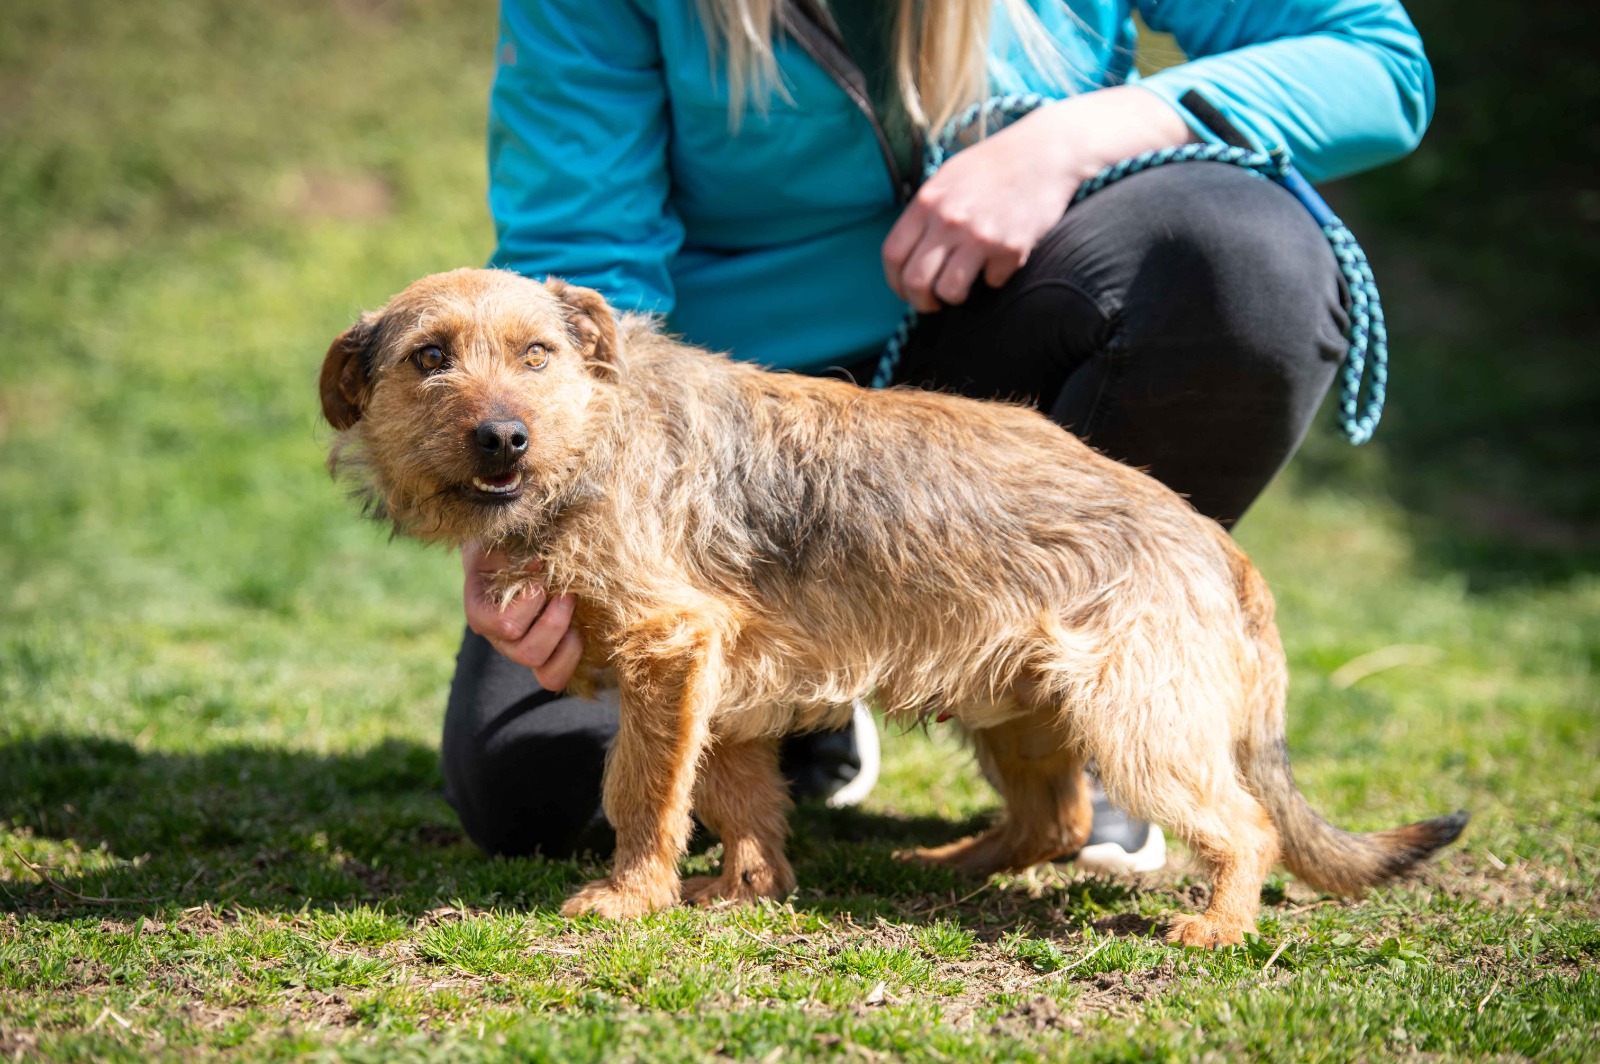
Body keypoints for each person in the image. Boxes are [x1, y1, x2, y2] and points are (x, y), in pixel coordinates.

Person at [441, 0, 1432, 869]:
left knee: (1242, 258)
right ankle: (810, 698)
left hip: (1008, 375)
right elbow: (582, 271)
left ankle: (1107, 700)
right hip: (727, 463)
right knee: (535, 797)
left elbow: (1374, 61)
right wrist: (540, 500)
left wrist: (1067, 140)